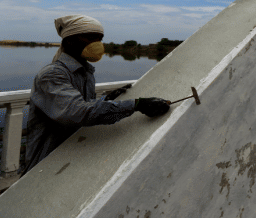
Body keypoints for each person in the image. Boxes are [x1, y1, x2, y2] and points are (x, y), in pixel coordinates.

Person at [23, 15, 170, 175]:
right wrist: (136, 105)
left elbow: (84, 105)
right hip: (44, 166)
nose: (97, 44)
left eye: (100, 39)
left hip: (69, 161)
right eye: (91, 38)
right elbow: (77, 112)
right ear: (70, 40)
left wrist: (107, 100)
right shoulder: (52, 75)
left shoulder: (86, 72)